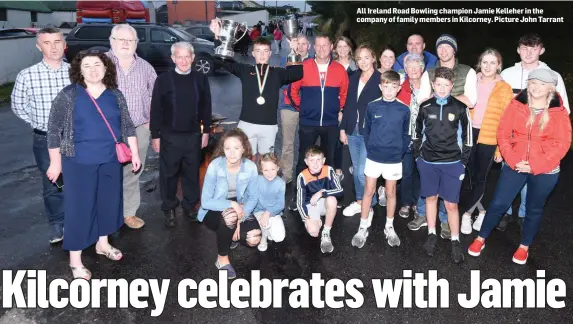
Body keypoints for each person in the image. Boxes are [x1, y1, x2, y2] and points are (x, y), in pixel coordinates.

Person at [46, 50, 141, 279]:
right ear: (79, 70)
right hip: (78, 162)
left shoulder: (115, 94)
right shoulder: (69, 95)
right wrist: (55, 163)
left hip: (110, 160)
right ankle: (75, 260)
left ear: (106, 68)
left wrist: (135, 153)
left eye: (97, 64)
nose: (92, 69)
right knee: (80, 209)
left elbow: (127, 125)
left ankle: (102, 243)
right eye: (86, 65)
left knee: (108, 204)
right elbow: (53, 131)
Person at [468, 69, 571, 265]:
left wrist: (535, 165)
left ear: (550, 87)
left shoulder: (559, 111)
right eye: (533, 82)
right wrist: (514, 161)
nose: (536, 87)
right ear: (528, 84)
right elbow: (503, 133)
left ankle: (524, 246)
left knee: (534, 208)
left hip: (545, 169)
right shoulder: (516, 105)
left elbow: (562, 143)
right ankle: (481, 238)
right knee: (499, 203)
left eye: (542, 84)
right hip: (515, 163)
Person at [496, 33, 570, 232]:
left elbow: (563, 111)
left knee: (531, 182)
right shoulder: (507, 73)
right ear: (518, 50)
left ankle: (523, 215)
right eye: (524, 48)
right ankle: (506, 213)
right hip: (513, 140)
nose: (529, 53)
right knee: (510, 175)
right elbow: (497, 105)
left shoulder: (552, 76)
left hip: (539, 142)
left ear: (542, 50)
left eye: (534, 48)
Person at [410, 34, 478, 239]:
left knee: (448, 187)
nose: (443, 50)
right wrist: (440, 99)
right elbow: (423, 98)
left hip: (454, 133)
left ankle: (445, 220)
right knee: (428, 179)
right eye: (440, 47)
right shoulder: (429, 72)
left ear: (454, 50)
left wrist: (445, 99)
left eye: (448, 47)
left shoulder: (467, 71)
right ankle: (423, 215)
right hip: (430, 132)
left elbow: (471, 100)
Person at [210, 19, 303, 158]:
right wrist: (218, 37)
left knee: (267, 162)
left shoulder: (277, 72)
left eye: (265, 51)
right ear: (252, 53)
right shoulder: (245, 70)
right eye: (258, 51)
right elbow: (221, 61)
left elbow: (297, 73)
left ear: (270, 53)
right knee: (246, 161)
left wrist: (294, 50)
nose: (262, 54)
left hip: (269, 126)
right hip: (246, 124)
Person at [11, 27, 70, 243]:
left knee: (77, 181)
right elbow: (18, 106)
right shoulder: (27, 76)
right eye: (47, 43)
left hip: (74, 138)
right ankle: (58, 225)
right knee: (53, 183)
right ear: (39, 46)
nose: (54, 47)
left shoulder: (75, 73)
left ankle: (78, 221)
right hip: (44, 139)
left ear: (64, 44)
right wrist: (37, 123)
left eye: (57, 41)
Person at [412, 67, 472, 264]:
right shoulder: (425, 107)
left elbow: (468, 138)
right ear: (432, 84)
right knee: (431, 198)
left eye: (446, 85)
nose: (442, 88)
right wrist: (418, 158)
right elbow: (416, 133)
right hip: (428, 162)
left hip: (452, 163)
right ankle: (431, 233)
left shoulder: (460, 108)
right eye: (438, 84)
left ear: (452, 86)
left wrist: (462, 162)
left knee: (451, 204)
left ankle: (455, 240)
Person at [150, 42, 212, 227]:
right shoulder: (163, 80)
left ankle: (190, 204)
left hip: (193, 135)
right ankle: (169, 206)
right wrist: (156, 134)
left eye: (187, 56)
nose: (183, 60)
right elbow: (156, 109)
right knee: (168, 174)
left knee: (191, 173)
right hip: (169, 136)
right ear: (173, 58)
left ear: (193, 58)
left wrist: (205, 132)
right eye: (179, 56)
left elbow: (206, 108)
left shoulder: (200, 79)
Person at [288, 34, 349, 210]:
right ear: (314, 47)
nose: (322, 49)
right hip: (308, 123)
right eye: (318, 45)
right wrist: (304, 109)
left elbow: (344, 94)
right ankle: (298, 195)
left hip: (330, 123)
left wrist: (339, 109)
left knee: (328, 161)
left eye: (325, 45)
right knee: (303, 159)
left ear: (331, 47)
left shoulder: (339, 69)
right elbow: (292, 92)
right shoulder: (303, 66)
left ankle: (329, 195)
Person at [351, 70, 410, 248]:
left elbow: (406, 134)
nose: (389, 90)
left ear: (399, 88)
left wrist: (399, 153)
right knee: (368, 191)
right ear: (380, 87)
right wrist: (372, 149)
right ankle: (362, 227)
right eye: (386, 86)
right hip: (374, 157)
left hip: (393, 158)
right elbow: (366, 131)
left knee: (391, 192)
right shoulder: (372, 106)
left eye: (393, 87)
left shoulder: (404, 109)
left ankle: (389, 226)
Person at [106, 24, 157, 230]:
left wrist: (150, 123)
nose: (126, 44)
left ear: (136, 43)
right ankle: (108, 214)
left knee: (133, 172)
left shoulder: (145, 67)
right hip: (107, 131)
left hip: (139, 129)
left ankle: (129, 213)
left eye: (130, 40)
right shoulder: (100, 63)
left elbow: (155, 95)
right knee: (106, 174)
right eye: (121, 40)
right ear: (112, 42)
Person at [460, 49, 514, 234]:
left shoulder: (504, 87)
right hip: (469, 133)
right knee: (470, 175)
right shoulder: (471, 81)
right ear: (479, 63)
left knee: (481, 177)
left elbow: (507, 119)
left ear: (499, 65)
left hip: (490, 136)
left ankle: (467, 214)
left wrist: (500, 149)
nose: (488, 66)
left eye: (493, 62)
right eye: (485, 62)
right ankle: (482, 211)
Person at [197, 128, 261, 279]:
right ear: (223, 149)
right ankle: (222, 259)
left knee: (254, 238)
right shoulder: (215, 166)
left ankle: (229, 233)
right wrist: (232, 205)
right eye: (227, 148)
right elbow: (206, 202)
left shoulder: (250, 167)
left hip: (241, 207)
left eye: (236, 148)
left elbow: (253, 198)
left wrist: (241, 217)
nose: (232, 153)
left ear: (244, 148)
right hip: (213, 208)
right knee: (230, 216)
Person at [340, 45, 382, 217]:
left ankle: (369, 203)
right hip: (352, 129)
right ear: (355, 61)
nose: (363, 61)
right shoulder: (352, 77)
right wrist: (343, 129)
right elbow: (348, 105)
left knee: (361, 171)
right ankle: (360, 201)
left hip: (370, 131)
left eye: (367, 57)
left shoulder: (380, 79)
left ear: (373, 58)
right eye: (359, 58)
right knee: (356, 167)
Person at [277, 34, 312, 184]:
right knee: (288, 143)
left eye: (304, 44)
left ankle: (308, 174)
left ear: (309, 46)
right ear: (294, 44)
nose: (301, 46)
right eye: (298, 43)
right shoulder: (286, 60)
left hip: (309, 108)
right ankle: (287, 174)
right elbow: (281, 82)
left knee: (308, 144)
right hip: (288, 107)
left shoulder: (314, 62)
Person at [296, 146, 343, 253]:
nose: (315, 164)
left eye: (318, 160)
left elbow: (340, 191)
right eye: (312, 160)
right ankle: (317, 221)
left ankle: (326, 232)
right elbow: (300, 202)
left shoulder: (329, 170)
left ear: (324, 161)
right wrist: (306, 219)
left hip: (324, 202)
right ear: (306, 162)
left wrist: (321, 193)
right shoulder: (302, 176)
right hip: (310, 205)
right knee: (313, 231)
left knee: (332, 200)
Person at [395, 53, 424, 219]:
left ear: (422, 69)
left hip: (422, 138)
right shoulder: (400, 86)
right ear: (405, 69)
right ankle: (406, 203)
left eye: (416, 66)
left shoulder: (429, 87)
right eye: (409, 67)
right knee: (406, 172)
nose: (413, 70)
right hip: (405, 137)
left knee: (421, 173)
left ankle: (418, 203)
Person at [252, 153, 286, 252]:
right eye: (266, 170)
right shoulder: (256, 180)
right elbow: (250, 198)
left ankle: (267, 230)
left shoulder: (281, 183)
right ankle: (263, 238)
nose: (270, 173)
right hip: (258, 211)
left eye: (273, 169)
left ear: (278, 168)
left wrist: (268, 212)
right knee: (264, 223)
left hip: (273, 211)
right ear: (261, 170)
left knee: (279, 238)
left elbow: (280, 205)